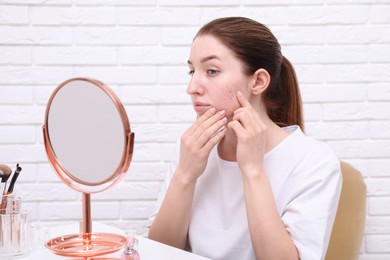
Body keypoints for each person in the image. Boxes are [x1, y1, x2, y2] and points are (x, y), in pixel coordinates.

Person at [148, 17, 342, 260]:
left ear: (258, 81)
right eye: (192, 70)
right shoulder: (192, 149)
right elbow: (156, 253)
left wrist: (252, 169)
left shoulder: (314, 161)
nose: (192, 87)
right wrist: (185, 174)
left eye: (212, 71)